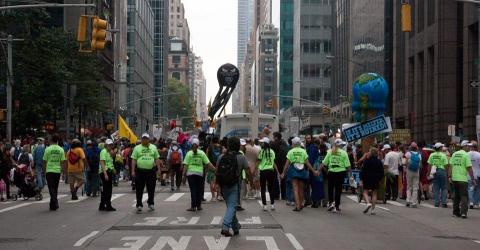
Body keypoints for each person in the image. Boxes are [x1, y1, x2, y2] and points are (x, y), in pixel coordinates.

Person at [216, 137, 249, 237]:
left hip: (223, 185)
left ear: (228, 146)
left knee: (231, 206)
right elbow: (248, 170)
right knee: (232, 206)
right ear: (238, 146)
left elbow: (217, 171)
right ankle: (225, 227)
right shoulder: (241, 157)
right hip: (234, 185)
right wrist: (250, 181)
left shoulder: (221, 157)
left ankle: (235, 227)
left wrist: (216, 184)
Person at [281, 137, 319, 212]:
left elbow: (286, 164)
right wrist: (314, 171)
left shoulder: (291, 152)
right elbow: (307, 163)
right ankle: (301, 204)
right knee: (301, 189)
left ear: (294, 144)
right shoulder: (303, 151)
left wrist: (283, 173)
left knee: (295, 189)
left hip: (293, 170)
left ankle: (297, 206)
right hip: (302, 170)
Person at [183, 138, 215, 211]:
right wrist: (215, 170)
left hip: (190, 174)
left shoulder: (189, 153)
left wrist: (183, 175)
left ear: (192, 145)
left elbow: (186, 165)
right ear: (198, 145)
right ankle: (199, 206)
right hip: (200, 174)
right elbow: (208, 163)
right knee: (199, 190)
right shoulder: (202, 153)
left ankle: (193, 206)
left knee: (193, 190)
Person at [132, 133, 161, 213]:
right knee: (139, 189)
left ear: (149, 139)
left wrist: (159, 169)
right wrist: (132, 171)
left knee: (151, 188)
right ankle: (139, 205)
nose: (145, 140)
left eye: (146, 138)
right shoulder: (137, 148)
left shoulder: (153, 147)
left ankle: (151, 203)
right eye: (143, 138)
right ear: (141, 139)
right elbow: (134, 160)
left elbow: (157, 159)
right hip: (140, 171)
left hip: (151, 171)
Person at [321, 139, 351, 213]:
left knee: (330, 189)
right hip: (340, 172)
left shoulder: (330, 151)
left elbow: (324, 163)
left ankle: (331, 203)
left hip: (331, 172)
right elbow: (348, 166)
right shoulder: (344, 153)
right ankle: (336, 206)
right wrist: (350, 175)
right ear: (340, 145)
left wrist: (319, 171)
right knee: (338, 189)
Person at [449, 140, 476, 218]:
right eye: (468, 146)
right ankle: (463, 213)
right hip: (463, 179)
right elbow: (469, 168)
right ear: (464, 146)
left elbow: (451, 166)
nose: (469, 148)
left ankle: (455, 212)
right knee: (464, 196)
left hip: (454, 178)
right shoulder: (466, 155)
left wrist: (449, 176)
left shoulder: (454, 154)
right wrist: (473, 179)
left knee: (456, 196)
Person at [42, 135, 66, 211]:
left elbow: (44, 161)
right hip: (57, 171)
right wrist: (63, 172)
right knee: (55, 188)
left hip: (49, 170)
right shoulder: (61, 149)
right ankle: (53, 205)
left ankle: (54, 201)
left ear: (51, 140)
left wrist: (44, 171)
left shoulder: (47, 149)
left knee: (51, 188)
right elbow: (63, 162)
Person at [256, 137, 279, 211]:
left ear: (265, 143)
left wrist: (255, 169)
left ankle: (264, 205)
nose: (261, 143)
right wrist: (277, 171)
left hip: (263, 171)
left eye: (262, 142)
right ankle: (272, 204)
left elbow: (259, 161)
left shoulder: (261, 151)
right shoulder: (272, 151)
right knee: (271, 188)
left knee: (263, 188)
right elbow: (274, 162)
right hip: (271, 170)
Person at [360, 148, 385, 215]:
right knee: (374, 193)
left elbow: (363, 171)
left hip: (367, 178)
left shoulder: (366, 161)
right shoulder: (379, 161)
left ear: (370, 153)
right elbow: (382, 172)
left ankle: (368, 203)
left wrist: (361, 179)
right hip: (376, 178)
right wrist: (379, 179)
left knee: (365, 192)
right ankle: (372, 210)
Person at [428, 142, 449, 208]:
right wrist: (446, 172)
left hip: (434, 171)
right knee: (444, 187)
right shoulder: (443, 155)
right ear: (440, 148)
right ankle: (444, 203)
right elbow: (446, 165)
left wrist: (428, 173)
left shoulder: (432, 155)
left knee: (436, 187)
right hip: (442, 170)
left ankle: (437, 202)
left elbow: (429, 165)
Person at [99, 139, 117, 212]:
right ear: (106, 145)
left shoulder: (109, 152)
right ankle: (108, 205)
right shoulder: (103, 151)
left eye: (111, 145)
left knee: (105, 189)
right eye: (109, 145)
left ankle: (102, 205)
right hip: (105, 172)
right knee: (108, 190)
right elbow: (102, 163)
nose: (110, 146)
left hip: (109, 171)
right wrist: (105, 174)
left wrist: (113, 169)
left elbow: (110, 162)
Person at [271, 132, 289, 200]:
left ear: (276, 137)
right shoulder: (284, 143)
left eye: (273, 136)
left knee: (275, 179)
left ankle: (276, 195)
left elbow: (271, 154)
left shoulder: (273, 144)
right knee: (283, 179)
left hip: (276, 163)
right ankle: (284, 195)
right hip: (284, 163)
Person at [405, 142, 422, 208]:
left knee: (409, 186)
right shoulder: (419, 154)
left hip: (409, 171)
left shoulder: (408, 153)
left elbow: (406, 163)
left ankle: (408, 200)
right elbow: (420, 165)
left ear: (411, 147)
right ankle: (414, 202)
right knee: (415, 187)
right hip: (416, 171)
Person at [304, 135, 319, 206]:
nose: (308, 139)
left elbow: (311, 159)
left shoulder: (312, 146)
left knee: (309, 185)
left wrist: (309, 168)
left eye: (309, 138)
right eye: (307, 138)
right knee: (311, 185)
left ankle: (311, 201)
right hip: (312, 168)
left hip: (311, 168)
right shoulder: (310, 146)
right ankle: (312, 201)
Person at [206, 136, 223, 201]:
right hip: (220, 166)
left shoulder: (209, 148)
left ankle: (213, 197)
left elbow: (206, 158)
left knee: (211, 181)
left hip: (211, 166)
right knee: (219, 181)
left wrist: (207, 168)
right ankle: (219, 196)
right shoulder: (221, 147)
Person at [468, 141, 480, 209]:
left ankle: (471, 202)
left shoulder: (466, 154)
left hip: (469, 174)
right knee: (478, 189)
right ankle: (476, 203)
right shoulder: (479, 154)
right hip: (478, 173)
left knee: (470, 189)